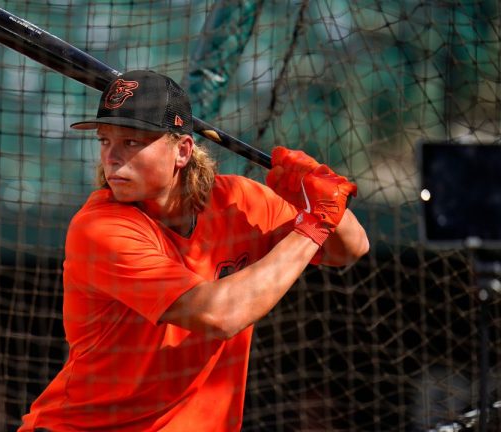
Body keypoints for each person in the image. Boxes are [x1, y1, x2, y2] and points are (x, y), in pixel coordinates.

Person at [18, 70, 369, 431]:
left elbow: (351, 249)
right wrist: (313, 224)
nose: (112, 158)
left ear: (182, 150)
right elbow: (220, 315)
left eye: (132, 143)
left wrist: (317, 196)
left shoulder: (238, 200)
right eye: (105, 141)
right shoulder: (99, 228)